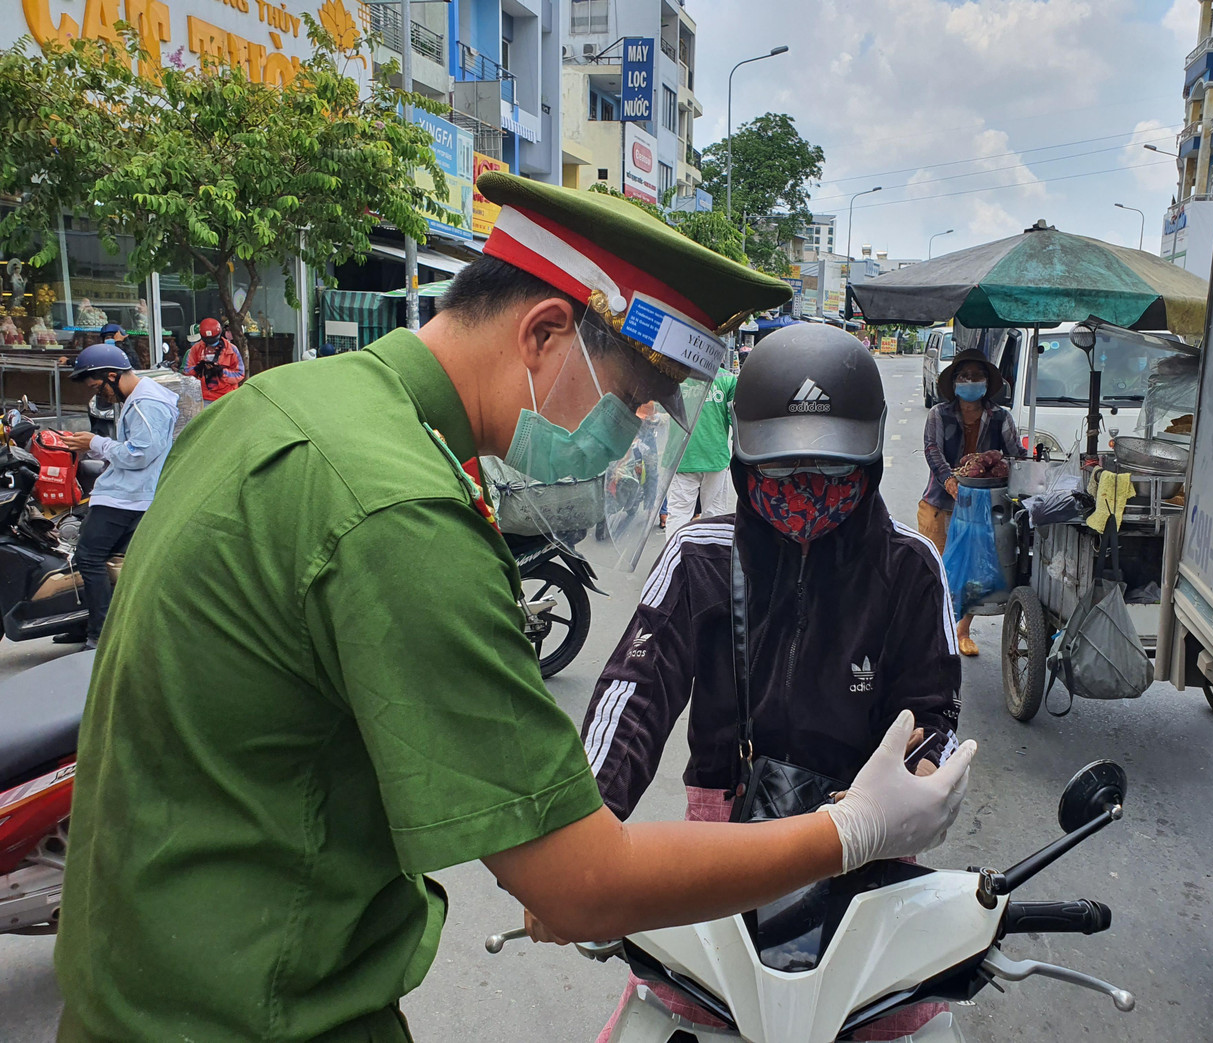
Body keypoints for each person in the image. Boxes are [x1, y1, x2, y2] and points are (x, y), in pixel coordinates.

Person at [53, 172, 975, 1043]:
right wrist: (850, 830)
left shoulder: (276, 406)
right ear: (543, 333)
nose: (625, 436)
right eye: (631, 401)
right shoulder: (400, 513)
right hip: (261, 1011)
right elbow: (582, 876)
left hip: (146, 989)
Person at [571, 324, 969, 1041]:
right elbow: (633, 691)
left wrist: (917, 781)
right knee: (679, 1005)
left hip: (866, 838)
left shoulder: (910, 567)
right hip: (721, 839)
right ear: (743, 461)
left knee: (889, 1018)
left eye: (831, 470)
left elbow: (932, 710)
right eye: (783, 470)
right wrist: (581, 828)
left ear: (870, 459)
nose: (807, 490)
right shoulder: (697, 555)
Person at [54, 343, 179, 650]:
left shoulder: (147, 403)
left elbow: (140, 454)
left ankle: (99, 634)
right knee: (103, 561)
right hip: (128, 492)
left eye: (97, 387)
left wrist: (95, 443)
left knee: (89, 558)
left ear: (112, 375)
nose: (99, 395)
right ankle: (90, 624)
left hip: (127, 497)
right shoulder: (139, 399)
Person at [918, 347, 1025, 656]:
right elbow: (932, 450)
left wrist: (1029, 468)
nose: (970, 381)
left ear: (986, 383)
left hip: (981, 508)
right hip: (940, 502)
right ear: (954, 382)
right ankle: (931, 631)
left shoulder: (1000, 417)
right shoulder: (939, 414)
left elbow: (1015, 452)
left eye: (977, 376)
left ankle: (962, 631)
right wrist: (949, 481)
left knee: (972, 573)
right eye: (964, 376)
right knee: (934, 569)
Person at [664, 362, 737, 535]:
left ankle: (676, 551)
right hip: (715, 457)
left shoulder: (672, 375)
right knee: (714, 514)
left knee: (679, 513)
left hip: (681, 455)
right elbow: (735, 419)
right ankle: (711, 551)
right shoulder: (727, 378)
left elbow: (657, 410)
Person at [182, 316, 244, 401]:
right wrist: (197, 369)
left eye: (212, 340)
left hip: (226, 397)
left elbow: (240, 374)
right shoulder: (196, 349)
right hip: (204, 397)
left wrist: (221, 372)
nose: (211, 346)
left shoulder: (231, 350)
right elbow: (186, 372)